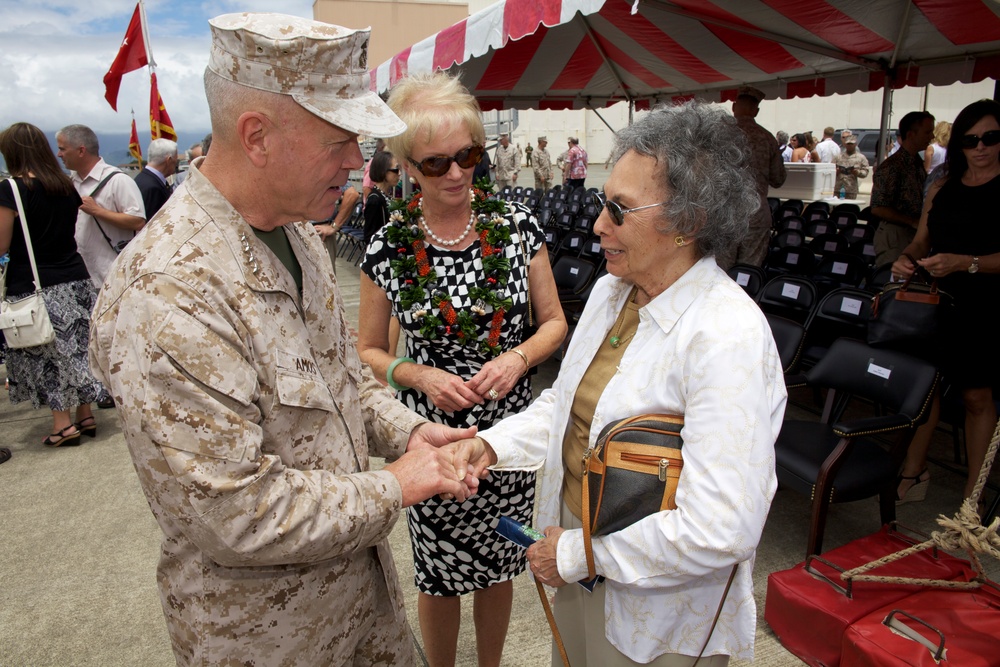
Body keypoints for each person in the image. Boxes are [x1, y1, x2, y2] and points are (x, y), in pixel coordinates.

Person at [87, 14, 479, 666]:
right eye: (338, 141)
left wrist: (410, 434)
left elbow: (340, 378)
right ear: (257, 137)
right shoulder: (168, 293)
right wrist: (398, 485)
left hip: (362, 608)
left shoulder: (297, 231)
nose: (359, 162)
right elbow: (234, 512)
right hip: (268, 639)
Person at [454, 101, 786, 666]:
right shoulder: (614, 292)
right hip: (582, 555)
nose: (598, 224)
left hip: (660, 594)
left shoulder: (726, 336)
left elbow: (722, 528)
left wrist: (582, 555)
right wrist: (491, 445)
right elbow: (569, 403)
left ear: (687, 222)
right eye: (601, 203)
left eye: (619, 209)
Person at [358, 71, 567, 667]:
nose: (455, 174)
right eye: (435, 163)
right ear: (406, 166)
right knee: (439, 573)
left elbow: (554, 323)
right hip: (436, 439)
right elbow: (368, 350)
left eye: (468, 156)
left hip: (507, 433)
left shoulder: (517, 227)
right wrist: (418, 375)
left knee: (502, 560)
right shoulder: (390, 245)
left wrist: (518, 356)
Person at [892, 99, 1000, 507]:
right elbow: (922, 239)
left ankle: (973, 496)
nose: (981, 147)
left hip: (987, 305)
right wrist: (908, 258)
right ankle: (913, 471)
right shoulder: (942, 186)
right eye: (971, 139)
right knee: (925, 390)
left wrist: (966, 263)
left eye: (991, 137)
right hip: (937, 300)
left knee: (976, 397)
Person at [0, 122, 105, 448]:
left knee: (47, 354)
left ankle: (62, 425)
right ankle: (85, 415)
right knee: (78, 349)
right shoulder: (65, 185)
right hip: (75, 277)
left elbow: (2, 244)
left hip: (36, 284)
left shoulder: (11, 189)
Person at [55, 124, 145, 288]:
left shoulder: (118, 180)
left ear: (81, 151)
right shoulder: (68, 183)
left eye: (62, 149)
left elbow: (138, 221)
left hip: (112, 275)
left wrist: (97, 211)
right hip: (80, 277)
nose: (59, 154)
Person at [718, 85, 786, 269]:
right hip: (755, 214)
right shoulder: (768, 138)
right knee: (748, 274)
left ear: (733, 107)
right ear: (756, 111)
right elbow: (778, 179)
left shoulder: (718, 136)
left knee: (718, 273)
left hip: (724, 213)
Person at [871, 110, 935, 266]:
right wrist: (912, 221)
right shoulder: (892, 167)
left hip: (912, 235)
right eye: (927, 132)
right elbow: (878, 208)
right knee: (894, 284)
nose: (932, 137)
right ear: (911, 134)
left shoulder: (916, 162)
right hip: (896, 236)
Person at [312, 184, 360, 274]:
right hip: (290, 229)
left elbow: (352, 194)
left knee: (325, 279)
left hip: (318, 231)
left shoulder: (324, 170)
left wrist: (334, 226)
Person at [134, 138, 178, 220]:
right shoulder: (152, 187)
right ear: (169, 160)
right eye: (175, 162)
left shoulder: (142, 178)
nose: (175, 166)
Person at [363, 150, 399, 246]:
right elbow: (370, 237)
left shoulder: (386, 196)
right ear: (383, 171)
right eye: (396, 170)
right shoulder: (375, 200)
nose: (399, 173)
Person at [833, 135, 870, 199]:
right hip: (838, 189)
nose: (849, 146)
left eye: (851, 144)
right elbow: (830, 170)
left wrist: (858, 173)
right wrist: (836, 171)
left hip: (851, 189)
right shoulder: (838, 157)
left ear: (855, 144)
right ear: (845, 144)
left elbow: (865, 171)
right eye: (848, 144)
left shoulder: (861, 158)